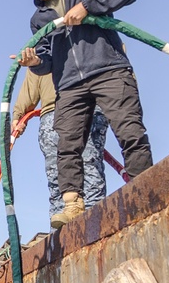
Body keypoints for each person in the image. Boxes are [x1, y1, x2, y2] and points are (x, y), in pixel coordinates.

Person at [18, 0, 153, 229]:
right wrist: (34, 61)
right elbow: (46, 63)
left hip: (108, 70)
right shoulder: (39, 18)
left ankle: (145, 187)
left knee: (129, 129)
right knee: (66, 145)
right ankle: (72, 205)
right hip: (69, 85)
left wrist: (88, 6)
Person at [12, 69, 108, 219]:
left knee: (89, 169)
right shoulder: (41, 50)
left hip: (86, 107)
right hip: (53, 113)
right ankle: (61, 233)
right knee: (58, 176)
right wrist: (19, 115)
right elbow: (31, 85)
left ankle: (95, 224)